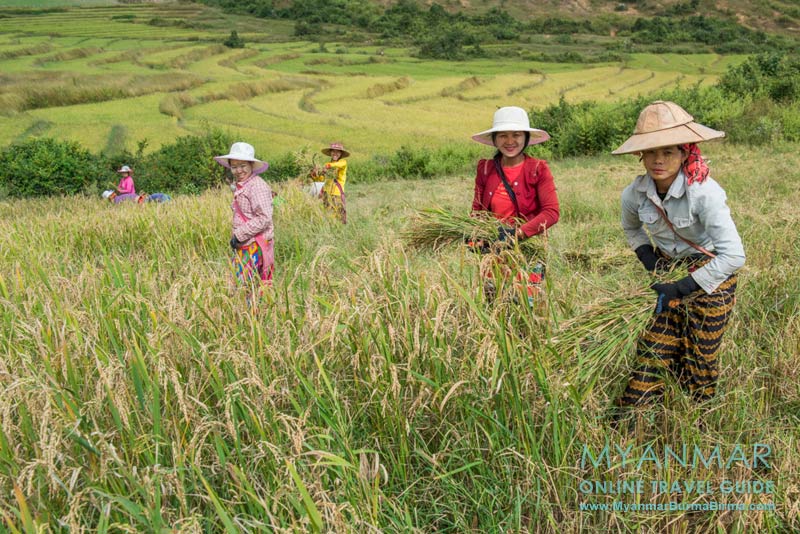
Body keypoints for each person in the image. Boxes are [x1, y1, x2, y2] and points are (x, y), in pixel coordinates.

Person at [612, 100, 745, 414]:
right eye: (651, 152)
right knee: (653, 350)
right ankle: (637, 414)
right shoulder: (634, 194)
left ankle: (696, 417)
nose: (658, 160)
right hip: (667, 273)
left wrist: (682, 287)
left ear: (685, 152)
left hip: (711, 276)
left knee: (700, 356)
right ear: (640, 155)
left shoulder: (704, 193)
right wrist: (652, 262)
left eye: (668, 151)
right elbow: (631, 229)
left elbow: (733, 256)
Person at [470, 106, 560, 304]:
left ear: (526, 138)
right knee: (495, 301)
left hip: (529, 248)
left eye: (516, 135)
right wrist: (475, 235)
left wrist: (517, 234)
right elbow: (477, 210)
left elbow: (551, 212)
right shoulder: (485, 169)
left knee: (527, 303)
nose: (510, 141)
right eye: (503, 135)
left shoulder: (538, 169)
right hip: (494, 249)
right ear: (494, 139)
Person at [213, 142, 274, 291]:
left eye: (243, 166)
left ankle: (252, 307)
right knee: (246, 287)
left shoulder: (257, 186)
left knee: (245, 288)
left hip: (254, 245)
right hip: (246, 244)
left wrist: (239, 235)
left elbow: (264, 218)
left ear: (251, 165)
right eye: (234, 167)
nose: (238, 170)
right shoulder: (244, 185)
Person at [319, 142, 349, 224]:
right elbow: (322, 179)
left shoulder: (342, 162)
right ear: (330, 152)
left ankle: (337, 229)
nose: (335, 153)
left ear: (341, 153)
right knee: (327, 214)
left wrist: (327, 166)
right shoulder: (327, 165)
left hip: (336, 193)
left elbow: (337, 165)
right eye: (333, 151)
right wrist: (318, 173)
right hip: (326, 193)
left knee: (338, 215)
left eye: (338, 151)